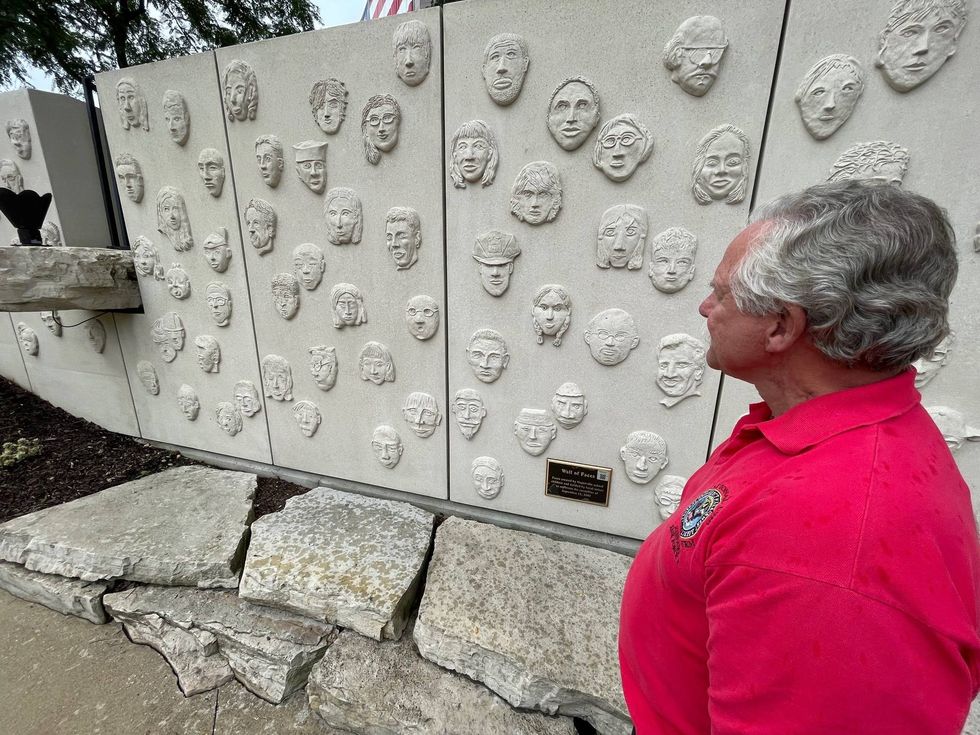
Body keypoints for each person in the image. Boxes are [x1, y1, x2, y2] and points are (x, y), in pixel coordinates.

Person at [620, 180, 980, 733]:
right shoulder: (826, 433)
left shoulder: (829, 544)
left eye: (723, 293)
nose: (706, 306)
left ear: (782, 326)